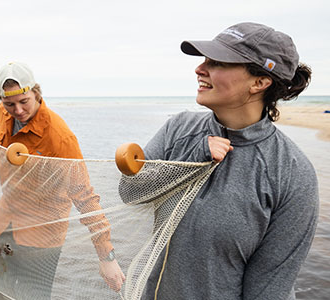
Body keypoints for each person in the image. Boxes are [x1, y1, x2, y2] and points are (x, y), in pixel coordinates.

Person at [129, 22, 318, 299]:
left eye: (217, 62)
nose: (199, 69)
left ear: (260, 82)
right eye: (205, 59)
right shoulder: (179, 129)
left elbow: (270, 287)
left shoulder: (292, 173)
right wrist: (194, 158)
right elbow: (131, 193)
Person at [0, 62, 124, 298]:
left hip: (41, 237)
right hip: (5, 223)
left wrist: (106, 256)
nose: (17, 110)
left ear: (36, 93)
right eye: (9, 103)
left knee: (34, 296)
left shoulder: (60, 137)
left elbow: (85, 196)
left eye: (24, 101)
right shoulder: (2, 113)